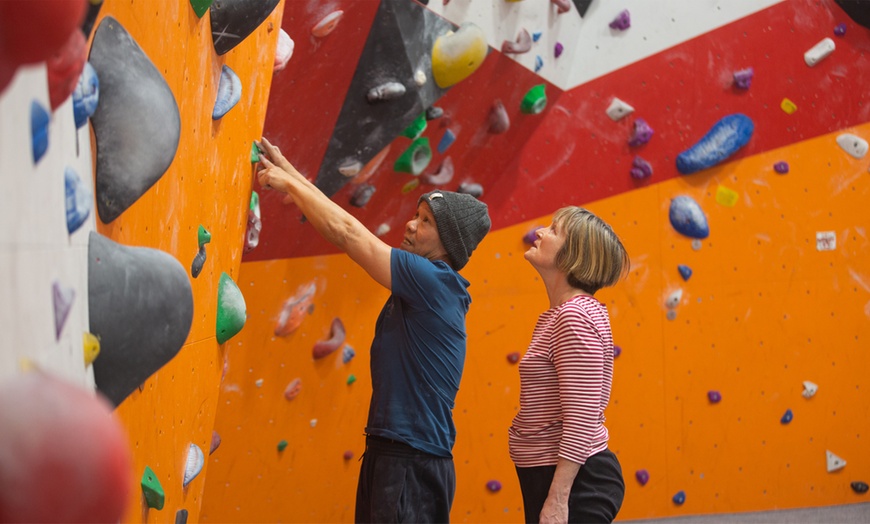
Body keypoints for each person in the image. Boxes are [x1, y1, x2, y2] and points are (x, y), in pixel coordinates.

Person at [255, 137, 491, 523]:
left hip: (412, 459)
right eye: (416, 215)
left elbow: (350, 234)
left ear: (448, 244)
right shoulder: (422, 281)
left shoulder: (434, 281)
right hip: (392, 450)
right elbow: (344, 230)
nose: (412, 225)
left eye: (427, 222)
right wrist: (290, 170)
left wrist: (290, 184)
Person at [509, 206, 629, 524]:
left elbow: (581, 417)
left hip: (576, 482)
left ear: (573, 255)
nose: (540, 232)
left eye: (554, 230)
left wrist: (558, 498)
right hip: (555, 476)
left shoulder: (573, 316)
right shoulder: (563, 314)